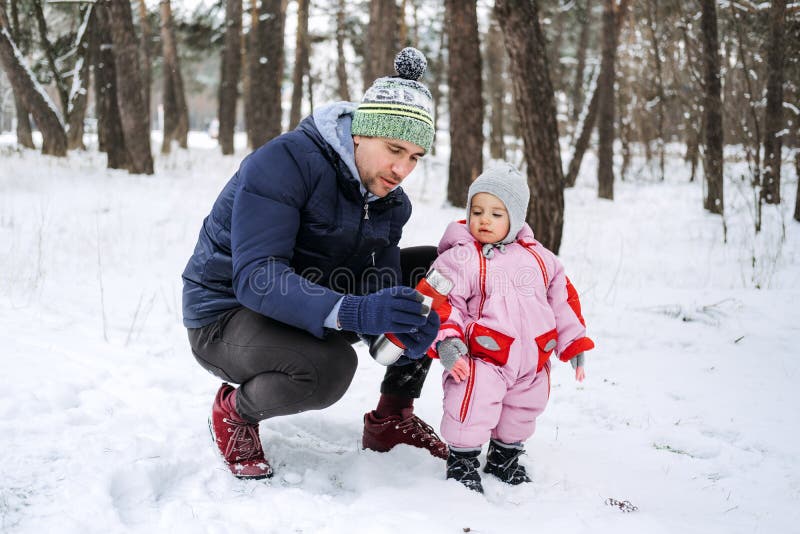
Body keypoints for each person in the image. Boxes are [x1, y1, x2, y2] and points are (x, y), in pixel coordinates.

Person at [181, 48, 448, 480]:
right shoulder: (284, 163)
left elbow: (378, 286)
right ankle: (234, 412)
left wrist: (403, 333)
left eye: (415, 157)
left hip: (307, 298)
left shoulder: (389, 203)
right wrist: (356, 310)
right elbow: (257, 277)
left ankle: (392, 417)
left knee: (440, 273)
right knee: (330, 369)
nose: (402, 169)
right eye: (394, 149)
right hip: (226, 314)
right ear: (362, 133)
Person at [426, 162, 595, 493]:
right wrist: (448, 341)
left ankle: (505, 457)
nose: (484, 220)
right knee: (470, 406)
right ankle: (462, 460)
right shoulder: (461, 257)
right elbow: (441, 301)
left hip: (532, 358)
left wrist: (573, 343)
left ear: (516, 219)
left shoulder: (541, 259)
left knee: (523, 410)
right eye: (477, 211)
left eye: (496, 213)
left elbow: (563, 301)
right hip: (483, 357)